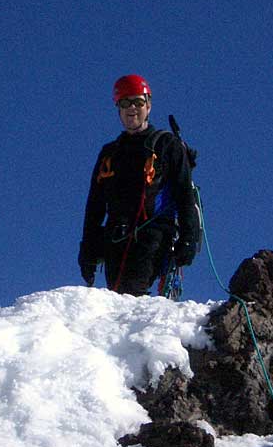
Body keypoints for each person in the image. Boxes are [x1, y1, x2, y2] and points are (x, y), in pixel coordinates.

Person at [78, 74, 199, 296]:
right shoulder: (110, 154)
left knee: (130, 293)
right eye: (125, 103)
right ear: (118, 108)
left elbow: (184, 195)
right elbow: (95, 205)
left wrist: (189, 238)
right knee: (117, 296)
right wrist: (87, 248)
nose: (132, 108)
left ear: (149, 106)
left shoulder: (166, 145)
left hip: (153, 233)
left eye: (138, 102)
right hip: (116, 237)